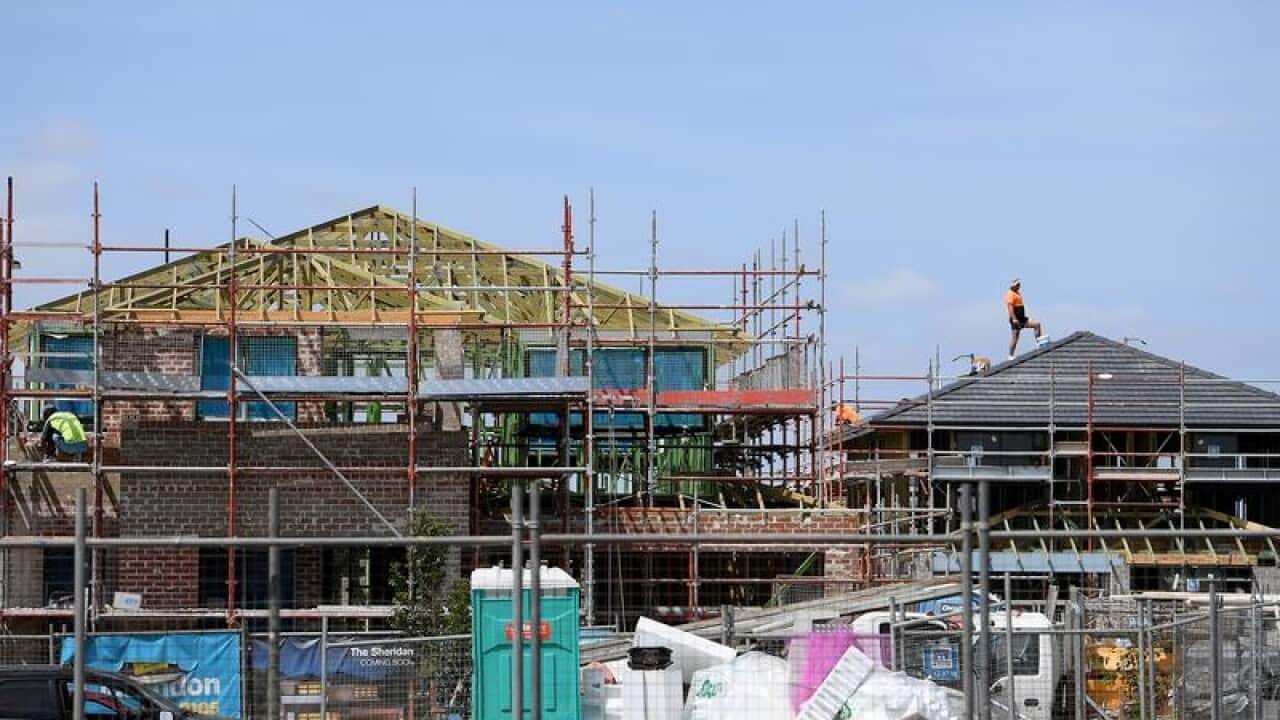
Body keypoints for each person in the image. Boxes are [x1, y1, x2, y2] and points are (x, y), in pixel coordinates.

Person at [1005, 278, 1046, 359]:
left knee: (1037, 325)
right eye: (1017, 285)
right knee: (1015, 337)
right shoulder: (1010, 294)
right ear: (1013, 286)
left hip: (1022, 318)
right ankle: (1010, 355)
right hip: (1016, 319)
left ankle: (1040, 344)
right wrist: (1014, 319)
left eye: (1019, 284)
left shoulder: (1017, 293)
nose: (1019, 286)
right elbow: (1010, 307)